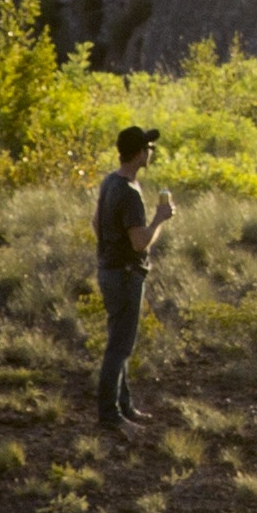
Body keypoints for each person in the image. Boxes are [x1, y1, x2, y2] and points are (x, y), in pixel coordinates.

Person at [91, 124, 163, 429]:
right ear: (138, 153)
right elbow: (140, 242)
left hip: (109, 271)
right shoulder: (131, 193)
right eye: (148, 148)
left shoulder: (110, 182)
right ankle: (110, 416)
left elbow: (96, 223)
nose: (151, 152)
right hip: (125, 276)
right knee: (120, 347)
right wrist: (161, 217)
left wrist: (109, 251)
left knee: (119, 341)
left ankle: (124, 405)